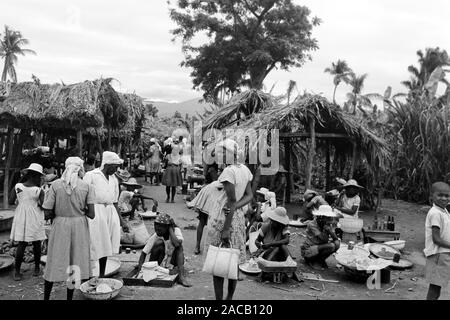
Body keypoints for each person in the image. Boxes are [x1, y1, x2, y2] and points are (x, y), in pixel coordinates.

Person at [204, 139, 254, 300]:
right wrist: (237, 207)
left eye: (222, 152)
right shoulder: (244, 170)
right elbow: (249, 196)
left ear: (230, 154)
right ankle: (229, 299)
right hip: (237, 218)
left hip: (224, 219)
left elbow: (231, 200)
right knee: (233, 262)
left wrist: (226, 229)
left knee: (219, 262)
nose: (219, 154)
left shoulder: (228, 172)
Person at [41, 157, 95, 300]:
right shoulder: (86, 187)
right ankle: (69, 297)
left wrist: (58, 212)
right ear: (80, 169)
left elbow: (46, 211)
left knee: (54, 260)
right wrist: (80, 209)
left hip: (60, 225)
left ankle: (46, 297)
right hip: (79, 226)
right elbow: (92, 214)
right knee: (75, 261)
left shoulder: (56, 185)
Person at [84, 151, 129, 277]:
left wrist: (121, 221)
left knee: (105, 245)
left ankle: (102, 274)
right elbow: (84, 196)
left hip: (109, 212)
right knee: (93, 243)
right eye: (115, 166)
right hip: (95, 211)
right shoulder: (91, 175)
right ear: (108, 164)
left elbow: (115, 202)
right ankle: (88, 274)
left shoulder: (114, 179)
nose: (117, 169)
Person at [9, 163, 46, 281]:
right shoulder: (39, 190)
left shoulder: (18, 186)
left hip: (21, 217)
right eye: (39, 177)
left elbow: (10, 201)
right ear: (35, 177)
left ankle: (17, 271)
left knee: (22, 244)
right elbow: (43, 206)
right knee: (36, 243)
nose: (40, 179)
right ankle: (36, 269)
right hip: (35, 218)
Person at [136, 213, 191, 287]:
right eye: (156, 226)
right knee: (158, 243)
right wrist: (140, 270)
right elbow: (143, 253)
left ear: (167, 227)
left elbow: (177, 244)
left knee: (179, 247)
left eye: (160, 227)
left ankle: (181, 276)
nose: (157, 229)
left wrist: (171, 230)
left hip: (173, 261)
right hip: (161, 262)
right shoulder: (156, 235)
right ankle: (154, 270)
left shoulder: (176, 231)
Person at [424, 182, 450, 300]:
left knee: (437, 287)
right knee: (434, 288)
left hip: (442, 254)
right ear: (431, 196)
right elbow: (436, 239)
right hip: (438, 254)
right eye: (440, 195)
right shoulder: (435, 213)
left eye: (447, 195)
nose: (444, 198)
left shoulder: (444, 211)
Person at [301, 205, 340, 270]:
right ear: (320, 217)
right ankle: (314, 261)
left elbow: (335, 238)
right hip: (309, 249)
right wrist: (327, 230)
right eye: (327, 217)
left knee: (337, 243)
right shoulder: (312, 224)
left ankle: (320, 260)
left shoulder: (327, 224)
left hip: (319, 247)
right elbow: (324, 239)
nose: (329, 219)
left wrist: (330, 230)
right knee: (331, 246)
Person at [161, 138, 183, 203]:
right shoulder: (168, 156)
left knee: (173, 186)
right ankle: (168, 197)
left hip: (175, 170)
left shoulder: (179, 157)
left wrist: (181, 169)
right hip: (170, 170)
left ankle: (172, 198)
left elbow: (181, 164)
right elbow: (164, 162)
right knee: (168, 185)